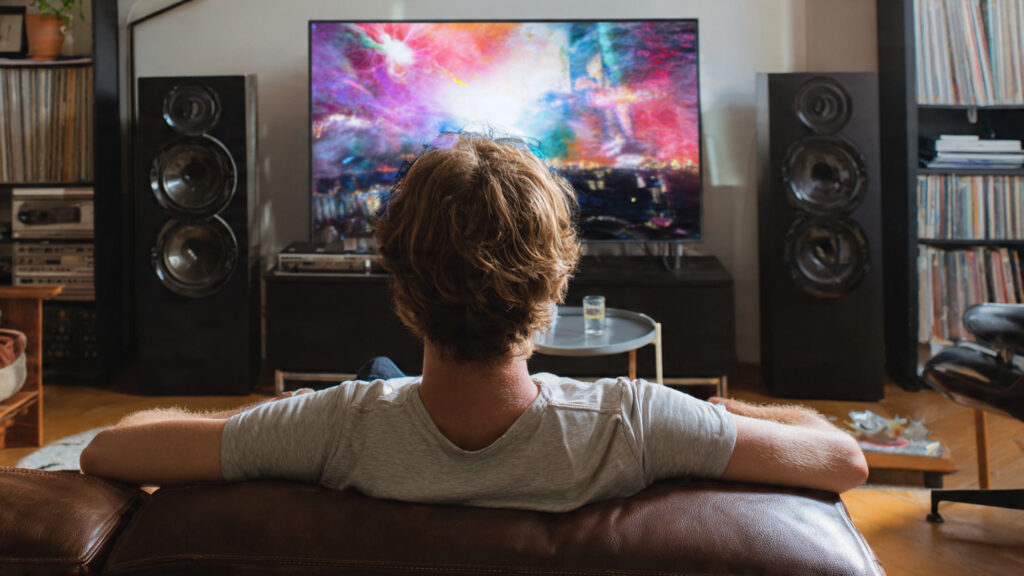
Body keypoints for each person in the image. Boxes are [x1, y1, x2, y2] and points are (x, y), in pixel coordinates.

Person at [81, 132, 867, 511]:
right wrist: (730, 412)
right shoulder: (637, 422)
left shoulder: (335, 427)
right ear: (554, 282)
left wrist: (263, 422)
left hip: (387, 405)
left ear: (401, 279)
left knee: (381, 382)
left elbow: (110, 448)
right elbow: (842, 462)